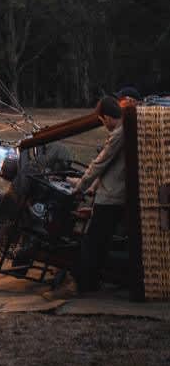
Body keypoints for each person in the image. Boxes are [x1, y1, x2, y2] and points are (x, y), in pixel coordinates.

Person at [69, 95, 127, 293]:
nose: (104, 126)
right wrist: (92, 186)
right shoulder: (124, 130)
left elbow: (100, 163)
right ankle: (94, 281)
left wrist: (80, 186)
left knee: (92, 243)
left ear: (108, 118)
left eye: (103, 121)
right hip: (113, 194)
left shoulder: (119, 134)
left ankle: (85, 284)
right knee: (101, 242)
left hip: (111, 197)